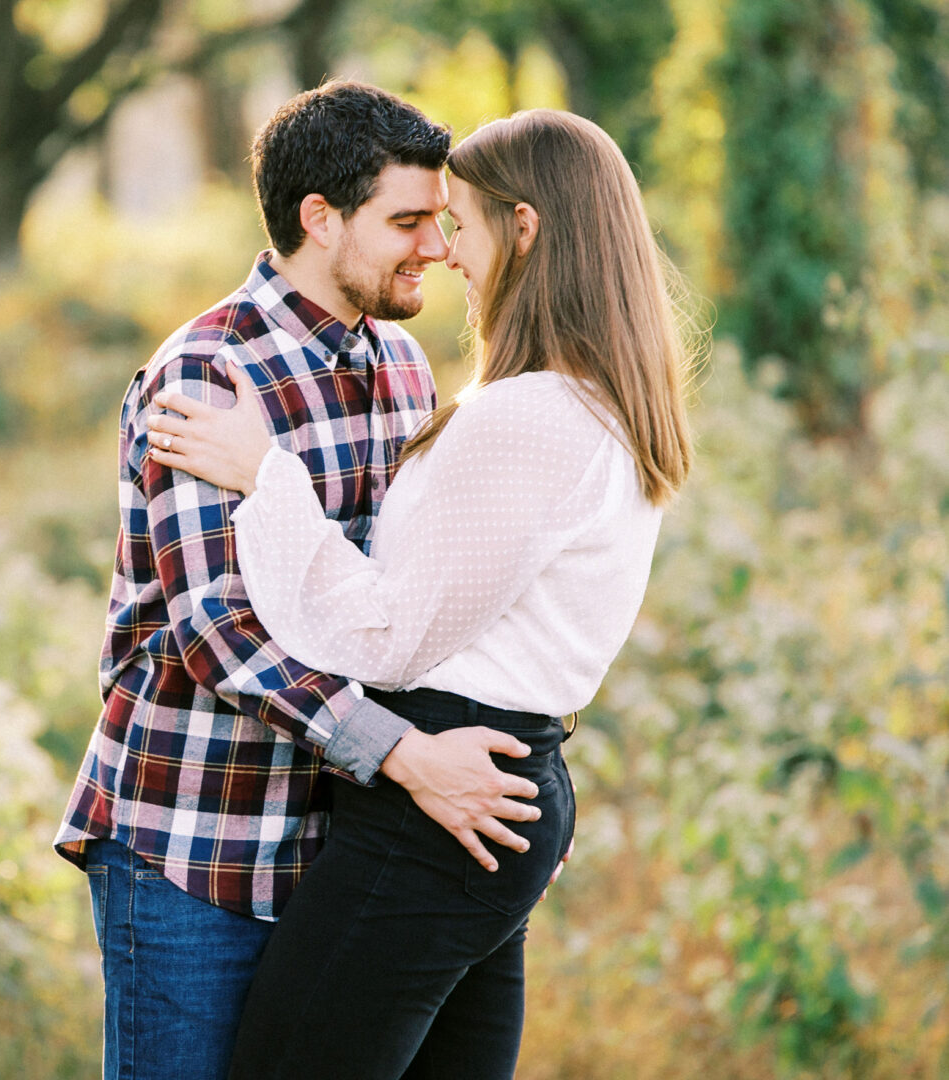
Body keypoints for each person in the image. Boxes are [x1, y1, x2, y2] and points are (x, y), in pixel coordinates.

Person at [146, 108, 695, 1079]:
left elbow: (391, 633)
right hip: (482, 774)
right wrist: (538, 783)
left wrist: (268, 478)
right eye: (420, 223)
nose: (447, 253)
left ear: (525, 229)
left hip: (438, 796)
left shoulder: (526, 416)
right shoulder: (593, 400)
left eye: (462, 225)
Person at [53, 82, 555, 1080]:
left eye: (441, 222)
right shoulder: (207, 374)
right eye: (407, 222)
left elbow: (408, 597)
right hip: (198, 843)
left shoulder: (408, 368)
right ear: (319, 220)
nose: (436, 248)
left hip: (342, 849)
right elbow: (218, 630)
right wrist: (409, 756)